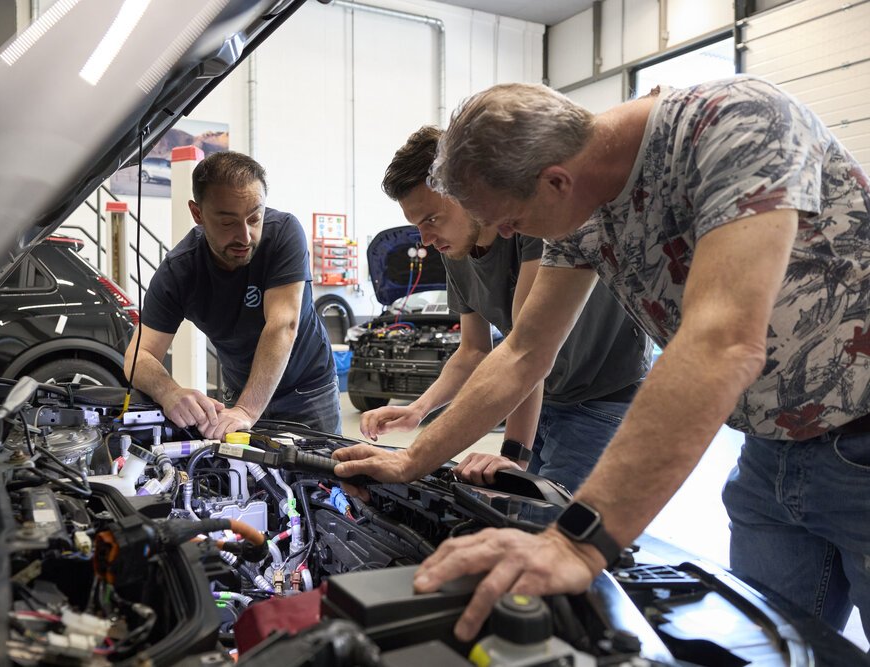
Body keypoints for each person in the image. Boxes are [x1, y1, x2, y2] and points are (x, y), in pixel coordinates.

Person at [334, 76, 870, 642]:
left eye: (511, 220)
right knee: (773, 650)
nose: (510, 235)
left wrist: (576, 538)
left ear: (555, 181)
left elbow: (722, 342)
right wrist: (410, 460)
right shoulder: (582, 205)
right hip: (769, 455)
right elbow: (522, 350)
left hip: (861, 440)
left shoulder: (736, 122)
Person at [364, 125, 649, 490]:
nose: (426, 239)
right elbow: (473, 351)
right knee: (523, 520)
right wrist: (419, 409)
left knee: (555, 532)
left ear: (463, 190)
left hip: (601, 400)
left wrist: (513, 455)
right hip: (541, 400)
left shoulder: (528, 225)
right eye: (417, 225)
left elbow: (525, 349)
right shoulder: (456, 250)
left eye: (432, 219)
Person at [125, 151, 341, 439]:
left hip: (306, 389)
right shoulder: (181, 270)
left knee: (324, 481)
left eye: (254, 218)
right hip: (240, 392)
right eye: (228, 222)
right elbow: (138, 356)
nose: (245, 236)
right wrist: (170, 392)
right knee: (244, 479)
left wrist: (247, 411)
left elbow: (282, 325)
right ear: (197, 214)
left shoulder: (283, 234)